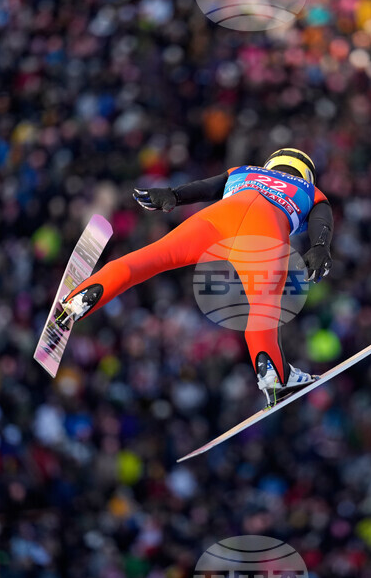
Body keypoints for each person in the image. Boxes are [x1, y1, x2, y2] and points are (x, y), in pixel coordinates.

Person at [57, 149, 335, 406]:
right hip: (263, 228)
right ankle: (274, 376)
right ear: (306, 173)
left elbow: (208, 187)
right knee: (263, 306)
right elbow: (322, 222)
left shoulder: (246, 171)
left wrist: (172, 195)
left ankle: (79, 298)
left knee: (149, 259)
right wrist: (320, 248)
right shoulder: (311, 191)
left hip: (216, 219)